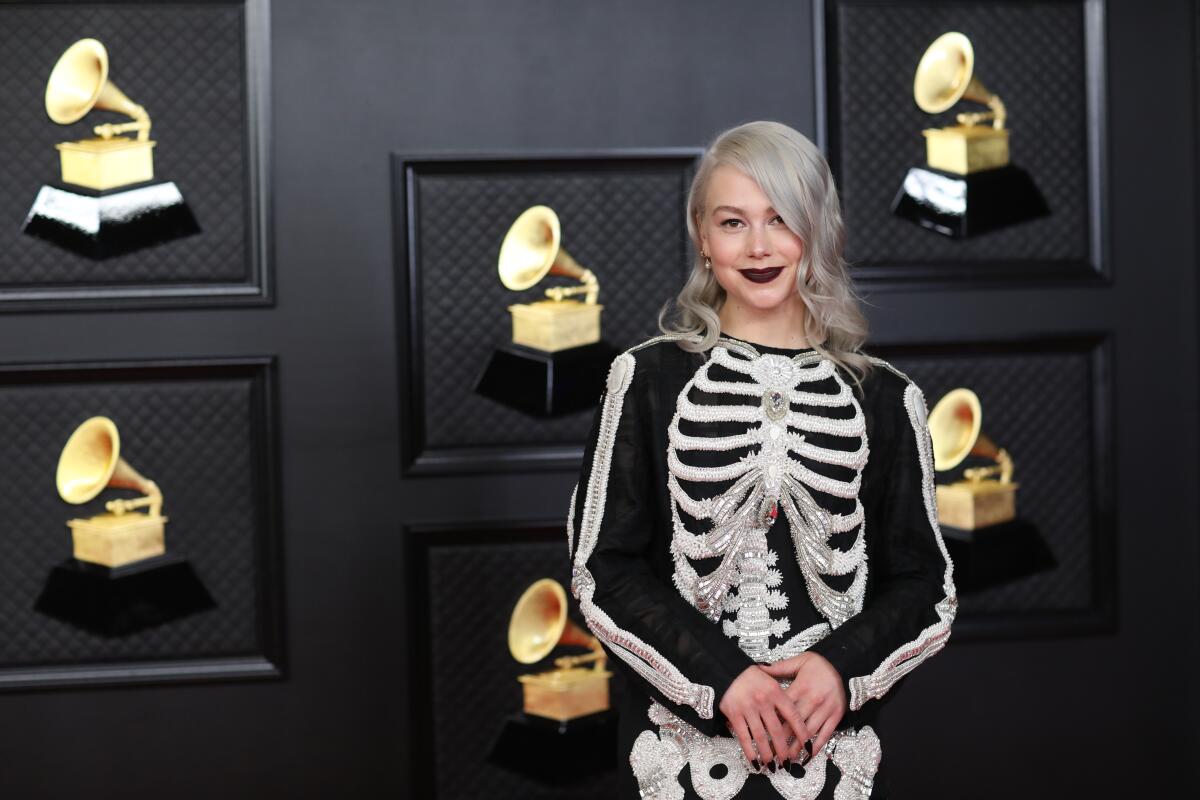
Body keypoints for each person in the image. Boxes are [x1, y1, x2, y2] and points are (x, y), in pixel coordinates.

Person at [566, 121, 956, 799]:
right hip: (677, 751)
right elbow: (602, 569)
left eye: (780, 218)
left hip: (834, 755)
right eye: (732, 221)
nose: (758, 246)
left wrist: (841, 667)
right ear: (701, 236)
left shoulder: (887, 399)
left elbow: (926, 585)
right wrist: (724, 677)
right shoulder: (645, 381)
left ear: (818, 228)